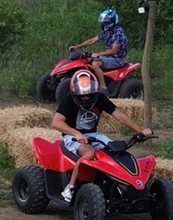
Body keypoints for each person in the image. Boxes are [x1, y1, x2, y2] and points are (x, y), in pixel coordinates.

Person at [52, 69, 152, 203]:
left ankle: (118, 186)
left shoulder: (100, 98)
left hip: (93, 135)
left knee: (116, 152)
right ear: (75, 93)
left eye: (89, 95)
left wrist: (140, 130)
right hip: (72, 136)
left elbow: (119, 115)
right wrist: (76, 133)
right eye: (83, 96)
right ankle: (70, 188)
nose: (86, 98)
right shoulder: (68, 101)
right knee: (88, 153)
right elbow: (56, 122)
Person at [68, 9, 129, 94]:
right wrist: (77, 47)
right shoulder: (106, 31)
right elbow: (92, 40)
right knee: (86, 59)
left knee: (95, 63)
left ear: (111, 22)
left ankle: (103, 87)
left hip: (118, 59)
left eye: (105, 22)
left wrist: (99, 54)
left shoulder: (119, 33)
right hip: (108, 57)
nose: (103, 24)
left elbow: (114, 50)